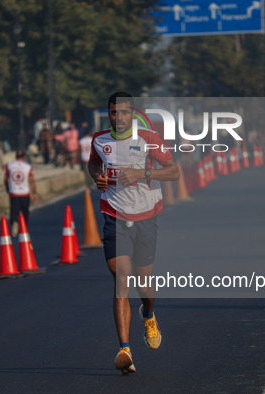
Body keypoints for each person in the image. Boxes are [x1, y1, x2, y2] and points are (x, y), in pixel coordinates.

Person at [88, 92, 180, 375]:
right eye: (114, 113)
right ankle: (125, 349)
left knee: (144, 283)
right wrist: (97, 176)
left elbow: (174, 171)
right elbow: (93, 163)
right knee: (121, 278)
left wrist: (143, 175)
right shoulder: (99, 140)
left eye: (125, 112)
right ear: (109, 114)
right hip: (114, 215)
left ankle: (148, 314)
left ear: (132, 114)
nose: (119, 117)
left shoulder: (148, 139)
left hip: (145, 217)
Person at [4, 150, 37, 237]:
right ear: (23, 157)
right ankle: (23, 227)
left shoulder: (10, 166)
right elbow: (31, 181)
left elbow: (5, 179)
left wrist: (8, 189)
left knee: (14, 210)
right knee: (25, 211)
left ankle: (15, 222)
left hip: (14, 193)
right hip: (25, 193)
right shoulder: (28, 167)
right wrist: (34, 193)